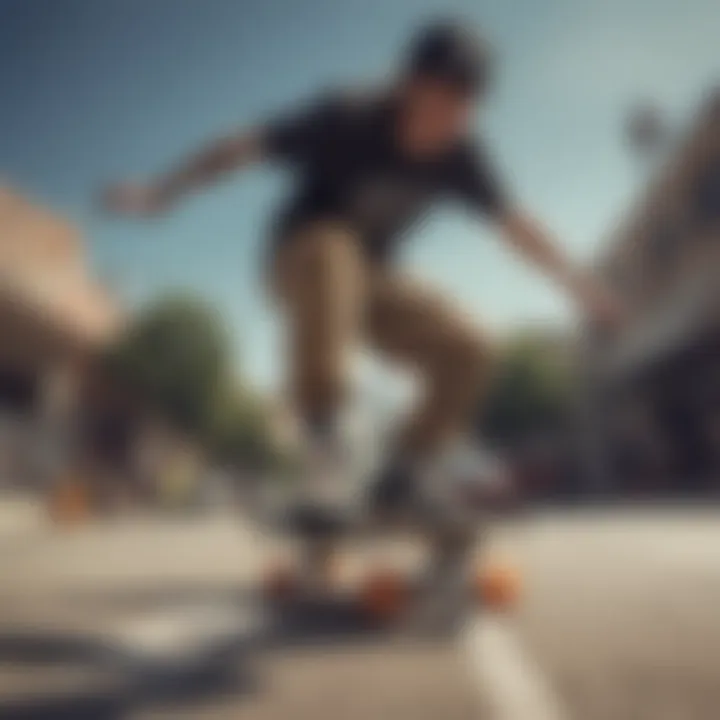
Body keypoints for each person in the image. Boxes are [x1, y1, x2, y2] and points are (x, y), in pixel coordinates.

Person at [104, 19, 622, 528]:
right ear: (407, 87)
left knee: (469, 345)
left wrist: (581, 287)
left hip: (372, 283)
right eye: (437, 104)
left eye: (461, 110)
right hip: (298, 259)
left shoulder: (462, 155)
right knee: (336, 249)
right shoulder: (347, 115)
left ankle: (405, 473)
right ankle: (323, 447)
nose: (443, 126)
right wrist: (164, 191)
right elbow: (240, 146)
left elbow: (517, 226)